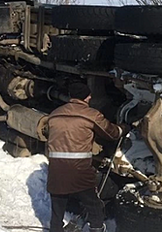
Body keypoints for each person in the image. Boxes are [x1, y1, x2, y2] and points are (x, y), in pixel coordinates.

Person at [47, 82, 129, 232]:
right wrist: (124, 127)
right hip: (79, 168)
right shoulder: (90, 115)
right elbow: (112, 133)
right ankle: (97, 228)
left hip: (56, 167)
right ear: (86, 97)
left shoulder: (55, 114)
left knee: (58, 203)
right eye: (89, 94)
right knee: (92, 202)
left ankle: (55, 229)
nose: (91, 96)